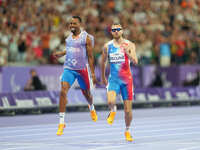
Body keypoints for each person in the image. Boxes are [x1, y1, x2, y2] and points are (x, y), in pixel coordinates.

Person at [53, 16, 98, 136]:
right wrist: (61, 54)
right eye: (70, 23)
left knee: (87, 94)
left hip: (82, 70)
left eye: (74, 23)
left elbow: (90, 56)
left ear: (80, 24)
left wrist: (92, 73)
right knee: (63, 91)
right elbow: (69, 50)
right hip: (69, 69)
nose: (71, 25)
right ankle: (61, 123)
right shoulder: (68, 39)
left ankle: (91, 107)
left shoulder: (86, 38)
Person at [101, 23, 138, 142]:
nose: (116, 31)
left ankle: (127, 130)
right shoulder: (107, 46)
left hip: (127, 81)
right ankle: (113, 110)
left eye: (118, 29)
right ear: (111, 32)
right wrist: (102, 76)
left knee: (128, 111)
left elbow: (136, 61)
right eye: (113, 30)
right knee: (110, 101)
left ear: (122, 31)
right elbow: (103, 62)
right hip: (114, 80)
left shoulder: (130, 44)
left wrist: (128, 53)